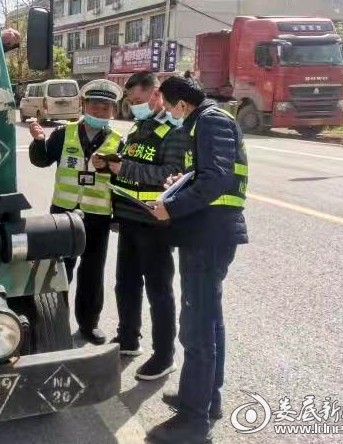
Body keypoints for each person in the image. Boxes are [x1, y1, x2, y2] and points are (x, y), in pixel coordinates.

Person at [145, 75, 249, 444]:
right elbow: (207, 174)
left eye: (169, 108)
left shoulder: (209, 121)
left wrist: (170, 207)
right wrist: (181, 183)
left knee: (197, 327)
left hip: (209, 234)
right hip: (207, 232)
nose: (169, 114)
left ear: (182, 104)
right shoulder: (205, 121)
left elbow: (217, 179)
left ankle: (193, 420)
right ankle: (207, 398)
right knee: (209, 321)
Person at [92, 71, 186, 381]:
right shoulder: (138, 127)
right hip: (129, 218)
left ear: (156, 94)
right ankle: (128, 337)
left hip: (154, 223)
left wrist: (125, 167)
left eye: (138, 100)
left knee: (159, 291)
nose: (134, 106)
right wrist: (109, 164)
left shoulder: (174, 131)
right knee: (126, 283)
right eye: (131, 101)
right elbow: (130, 166)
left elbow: (171, 174)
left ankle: (164, 355)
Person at [28, 79, 123, 344]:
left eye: (106, 107)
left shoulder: (118, 141)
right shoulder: (63, 133)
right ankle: (55, 325)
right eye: (95, 106)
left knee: (92, 272)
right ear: (84, 105)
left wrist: (118, 217)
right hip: (63, 215)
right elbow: (41, 160)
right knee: (59, 271)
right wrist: (38, 140)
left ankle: (88, 325)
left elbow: (120, 181)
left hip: (97, 217)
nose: (100, 111)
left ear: (113, 110)